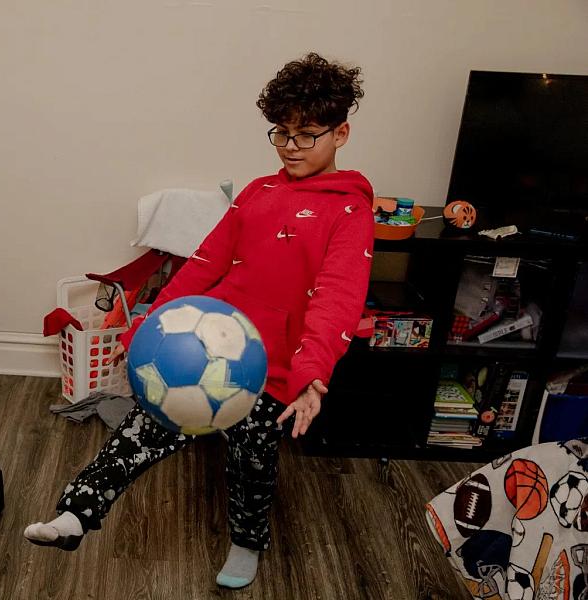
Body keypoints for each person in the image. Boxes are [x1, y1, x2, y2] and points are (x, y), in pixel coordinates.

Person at [25, 52, 374, 590]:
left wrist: (312, 374)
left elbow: (338, 296)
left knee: (251, 456)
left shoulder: (349, 209)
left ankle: (246, 541)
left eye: (307, 135)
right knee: (142, 428)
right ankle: (76, 516)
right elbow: (205, 265)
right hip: (207, 345)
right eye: (281, 133)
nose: (291, 148)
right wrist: (149, 323)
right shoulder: (259, 192)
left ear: (341, 133)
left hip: (273, 366)